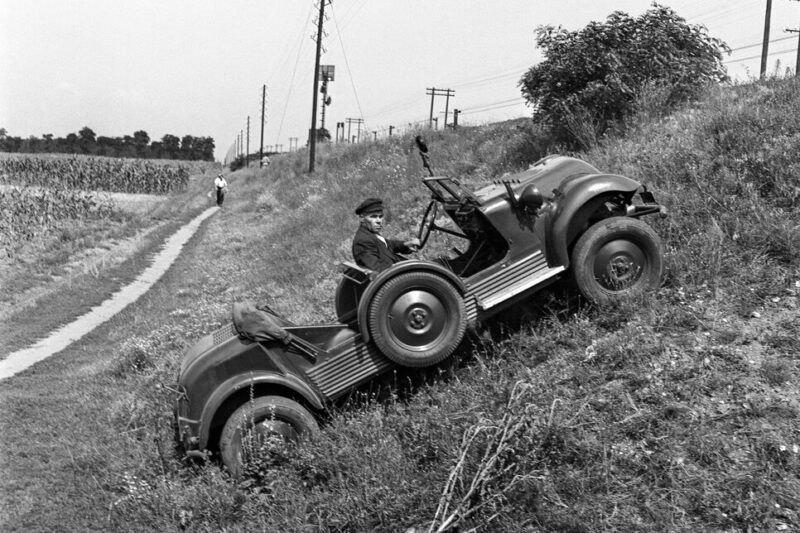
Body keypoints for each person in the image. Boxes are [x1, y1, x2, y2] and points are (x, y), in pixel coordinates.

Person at [352, 197, 420, 272]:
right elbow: (377, 270)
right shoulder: (362, 241)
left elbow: (389, 245)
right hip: (400, 278)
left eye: (380, 216)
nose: (378, 221)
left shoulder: (371, 235)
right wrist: (397, 267)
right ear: (362, 218)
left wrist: (407, 244)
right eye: (373, 217)